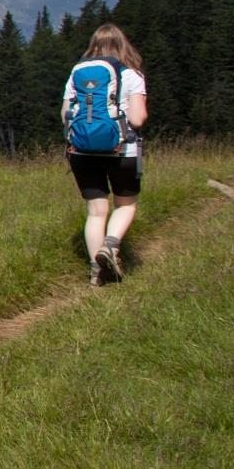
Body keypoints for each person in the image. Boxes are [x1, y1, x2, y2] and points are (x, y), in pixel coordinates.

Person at [63, 23, 149, 286]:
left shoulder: (77, 73)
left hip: (81, 152)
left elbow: (65, 114)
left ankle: (95, 272)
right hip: (122, 150)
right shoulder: (132, 75)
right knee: (126, 204)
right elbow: (138, 117)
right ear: (123, 45)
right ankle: (110, 247)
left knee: (96, 211)